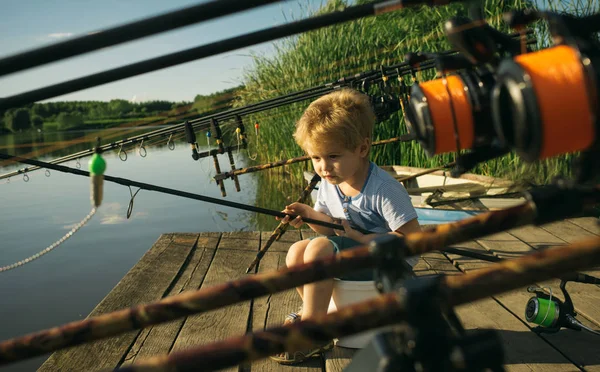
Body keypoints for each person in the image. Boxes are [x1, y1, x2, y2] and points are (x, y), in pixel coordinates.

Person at [270, 88, 421, 365]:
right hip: (356, 257)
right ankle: (316, 314)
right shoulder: (331, 183)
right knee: (295, 252)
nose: (324, 167)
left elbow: (411, 242)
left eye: (333, 156)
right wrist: (308, 214)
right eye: (316, 158)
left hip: (390, 266)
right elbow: (329, 230)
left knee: (317, 251)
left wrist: (360, 239)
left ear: (362, 148)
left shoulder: (385, 189)